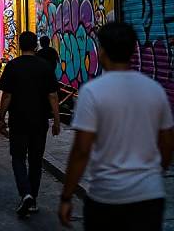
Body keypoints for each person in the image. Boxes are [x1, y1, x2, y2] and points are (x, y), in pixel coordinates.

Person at [58, 22, 174, 230]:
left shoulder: (92, 92)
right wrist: (152, 175)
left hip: (107, 197)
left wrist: (67, 196)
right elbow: (167, 143)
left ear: (101, 50)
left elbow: (81, 150)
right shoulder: (155, 89)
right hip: (149, 197)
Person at [0, 31, 60, 218]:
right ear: (35, 46)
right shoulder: (45, 67)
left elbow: (7, 95)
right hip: (40, 121)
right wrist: (56, 120)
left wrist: (2, 118)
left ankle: (25, 193)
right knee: (35, 160)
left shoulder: (13, 66)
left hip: (18, 120)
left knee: (18, 158)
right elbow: (53, 95)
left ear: (19, 44)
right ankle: (32, 198)